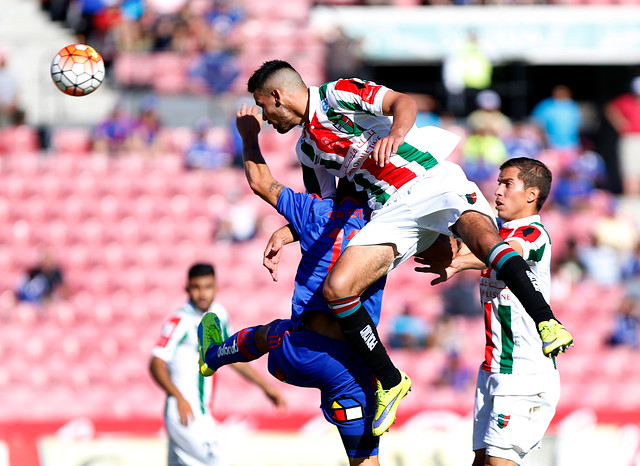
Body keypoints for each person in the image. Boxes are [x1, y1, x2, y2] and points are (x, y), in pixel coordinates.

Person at [244, 60, 573, 436]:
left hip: (428, 180)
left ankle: (545, 319)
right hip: (391, 208)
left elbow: (404, 103)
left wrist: (396, 134)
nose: (265, 117)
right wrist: (289, 232)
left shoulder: (336, 94)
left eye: (263, 106)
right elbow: (329, 204)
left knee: (484, 240)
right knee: (338, 288)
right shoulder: (307, 151)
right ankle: (390, 380)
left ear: (278, 96)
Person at [198, 105, 389, 463]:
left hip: (297, 358)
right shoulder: (389, 224)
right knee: (364, 459)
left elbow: (260, 182)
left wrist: (249, 135)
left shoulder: (313, 212)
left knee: (273, 334)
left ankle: (213, 356)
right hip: (353, 364)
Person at [416, 157, 563, 466]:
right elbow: (488, 252)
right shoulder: (495, 236)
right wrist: (454, 258)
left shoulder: (532, 234)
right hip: (494, 370)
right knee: (481, 462)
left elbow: (507, 254)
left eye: (507, 184)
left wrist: (460, 260)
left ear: (531, 194)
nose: (497, 191)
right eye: (498, 183)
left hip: (523, 373)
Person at [149, 263, 286, 466]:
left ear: (216, 288)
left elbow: (231, 357)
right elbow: (156, 363)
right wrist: (178, 397)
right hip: (185, 413)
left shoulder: (218, 315)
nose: (202, 293)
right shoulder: (180, 321)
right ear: (187, 289)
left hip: (202, 412)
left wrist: (265, 386)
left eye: (207, 286)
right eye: (196, 287)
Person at [605, 76, 640, 195]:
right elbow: (610, 108)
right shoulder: (625, 100)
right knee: (630, 168)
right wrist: (620, 123)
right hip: (629, 138)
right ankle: (631, 194)